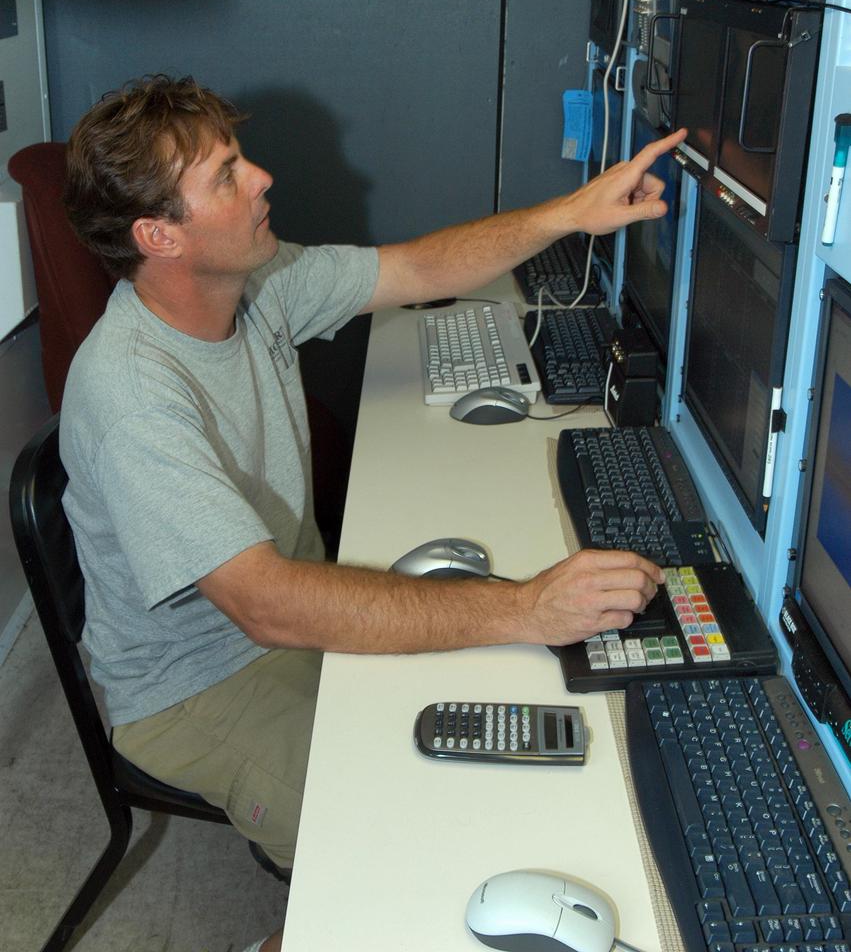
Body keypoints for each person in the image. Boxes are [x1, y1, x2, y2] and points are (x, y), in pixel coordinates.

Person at [60, 74, 684, 952]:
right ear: (160, 235)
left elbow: (416, 267)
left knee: (486, 725)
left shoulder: (253, 282)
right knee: (393, 870)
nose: (263, 177)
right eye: (228, 174)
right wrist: (522, 607)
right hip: (196, 687)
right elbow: (268, 605)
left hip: (282, 619)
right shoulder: (134, 394)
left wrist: (571, 212)